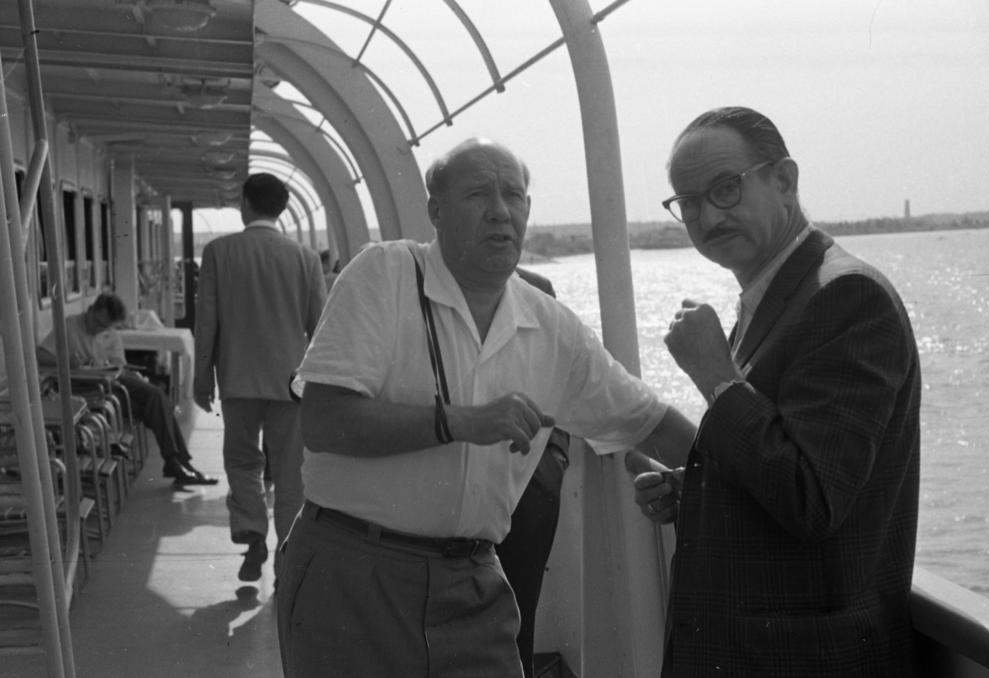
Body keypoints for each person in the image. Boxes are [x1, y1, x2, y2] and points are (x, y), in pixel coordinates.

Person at [276, 137, 696, 678]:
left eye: (513, 196)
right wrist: (461, 422)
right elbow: (324, 421)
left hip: (472, 581)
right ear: (436, 211)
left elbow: (648, 420)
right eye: (478, 194)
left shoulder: (551, 326)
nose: (500, 211)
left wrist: (733, 471)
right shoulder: (384, 274)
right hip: (353, 573)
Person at [627, 106, 921, 677]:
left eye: (725, 189)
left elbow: (813, 498)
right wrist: (697, 494)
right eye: (689, 202)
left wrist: (716, 377)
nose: (708, 216)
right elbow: (794, 467)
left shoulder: (847, 297)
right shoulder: (777, 300)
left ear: (784, 180)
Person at [193, 172, 326, 582]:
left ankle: (252, 529)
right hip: (291, 383)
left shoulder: (218, 252)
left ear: (245, 204)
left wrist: (202, 378)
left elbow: (207, 321)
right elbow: (321, 328)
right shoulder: (305, 258)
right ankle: (288, 559)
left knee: (241, 459)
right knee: (290, 474)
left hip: (237, 378)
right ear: (282, 209)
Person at [37, 293, 216, 487]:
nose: (98, 329)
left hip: (112, 383)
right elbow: (39, 354)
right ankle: (178, 463)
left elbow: (119, 365)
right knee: (155, 404)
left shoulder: (110, 333)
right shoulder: (69, 327)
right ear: (91, 310)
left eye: (104, 327)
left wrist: (108, 365)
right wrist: (64, 361)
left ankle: (177, 462)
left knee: (156, 398)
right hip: (87, 389)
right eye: (97, 323)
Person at [495, 267, 571, 678]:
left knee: (517, 613)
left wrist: (553, 456)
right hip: (452, 489)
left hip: (529, 488)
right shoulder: (414, 285)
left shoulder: (536, 290)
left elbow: (564, 376)